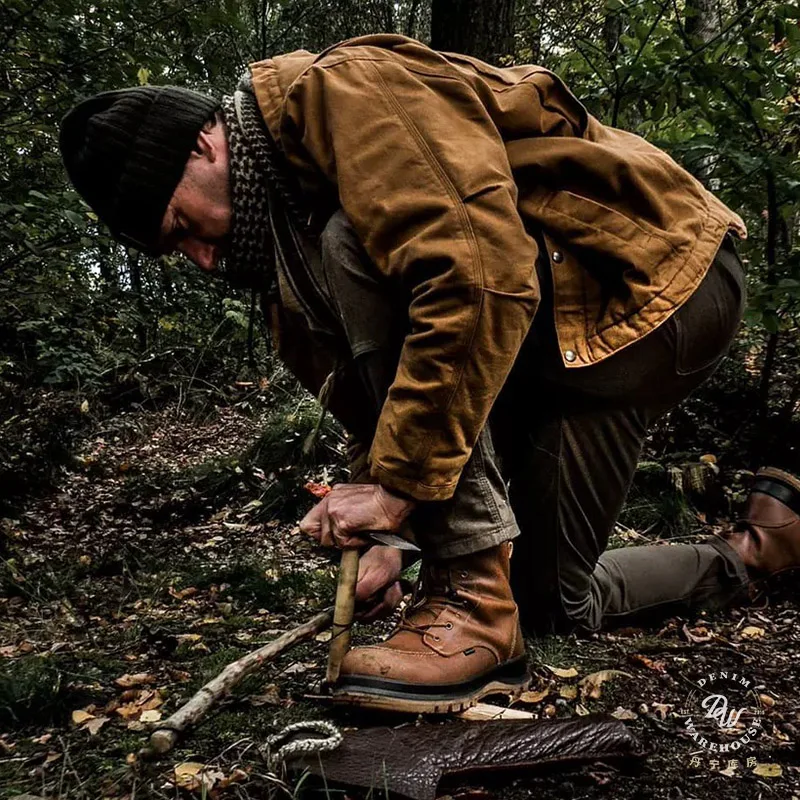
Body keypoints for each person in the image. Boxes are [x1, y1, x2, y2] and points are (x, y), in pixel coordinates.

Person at [59, 34, 800, 713]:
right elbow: (370, 412)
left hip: (649, 289)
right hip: (565, 357)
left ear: (204, 146)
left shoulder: (342, 91)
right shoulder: (285, 281)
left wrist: (402, 489)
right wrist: (394, 535)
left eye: (183, 227)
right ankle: (761, 547)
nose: (204, 259)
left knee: (358, 240)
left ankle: (472, 602)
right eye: (176, 253)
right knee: (551, 607)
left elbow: (478, 278)